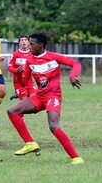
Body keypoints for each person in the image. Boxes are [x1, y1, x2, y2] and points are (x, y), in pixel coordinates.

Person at [7, 33, 84, 164]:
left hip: (53, 95)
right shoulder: (30, 60)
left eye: (32, 44)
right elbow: (25, 81)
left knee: (53, 126)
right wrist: (18, 74)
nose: (29, 47)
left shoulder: (54, 57)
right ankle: (30, 143)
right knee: (12, 111)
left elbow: (76, 64)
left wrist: (72, 75)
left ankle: (76, 158)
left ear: (41, 45)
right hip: (39, 96)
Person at [7, 34, 37, 101]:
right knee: (24, 103)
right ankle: (18, 93)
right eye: (22, 40)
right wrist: (16, 71)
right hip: (18, 81)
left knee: (34, 100)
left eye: (25, 40)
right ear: (19, 43)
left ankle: (17, 93)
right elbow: (9, 67)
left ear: (28, 42)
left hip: (29, 81)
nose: (24, 42)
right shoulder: (16, 54)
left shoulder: (32, 53)